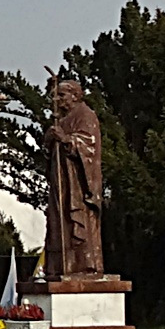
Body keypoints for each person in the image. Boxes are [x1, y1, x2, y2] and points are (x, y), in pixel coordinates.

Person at [45, 78, 104, 277]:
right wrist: (50, 141)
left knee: (79, 221)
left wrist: (66, 139)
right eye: (55, 95)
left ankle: (84, 264)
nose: (57, 99)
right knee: (59, 221)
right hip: (61, 179)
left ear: (75, 95)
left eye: (61, 95)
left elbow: (89, 146)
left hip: (77, 182)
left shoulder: (86, 115)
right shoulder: (62, 121)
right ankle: (61, 265)